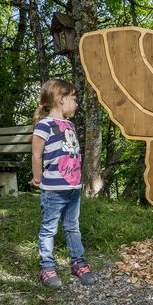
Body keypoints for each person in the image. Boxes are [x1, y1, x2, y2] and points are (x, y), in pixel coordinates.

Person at [30, 79, 95, 288]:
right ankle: (47, 268)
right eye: (74, 99)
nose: (76, 104)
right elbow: (36, 154)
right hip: (53, 190)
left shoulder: (70, 124)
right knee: (49, 229)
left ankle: (78, 262)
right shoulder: (44, 125)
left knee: (72, 227)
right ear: (61, 99)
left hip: (73, 189)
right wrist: (38, 178)